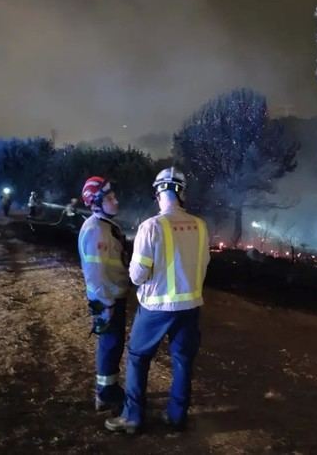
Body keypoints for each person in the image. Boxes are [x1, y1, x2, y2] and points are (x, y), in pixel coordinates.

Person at [105, 167, 210, 434]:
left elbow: (138, 275)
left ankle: (133, 417)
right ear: (182, 193)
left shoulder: (151, 227)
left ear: (158, 193)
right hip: (190, 307)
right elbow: (204, 264)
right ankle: (177, 416)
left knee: (139, 358)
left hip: (155, 308)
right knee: (183, 360)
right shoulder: (200, 225)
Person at [78, 177, 131, 412]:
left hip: (111, 296)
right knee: (110, 345)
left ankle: (108, 388)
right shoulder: (96, 231)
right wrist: (106, 303)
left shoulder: (104, 226)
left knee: (114, 343)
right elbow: (96, 274)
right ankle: (106, 393)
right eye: (109, 198)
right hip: (106, 299)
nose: (115, 201)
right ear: (97, 203)